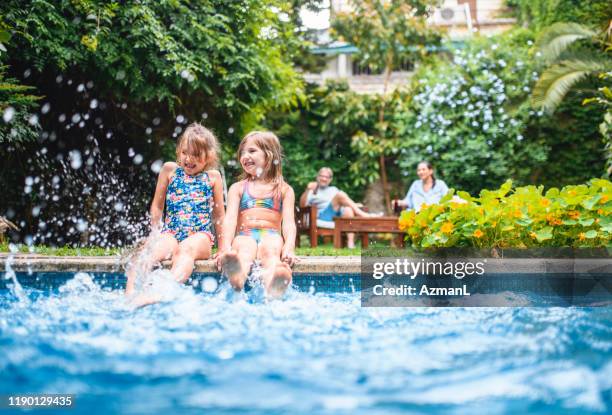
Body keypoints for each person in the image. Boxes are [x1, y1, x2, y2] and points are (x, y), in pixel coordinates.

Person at [125, 123, 226, 300]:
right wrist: (155, 234)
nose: (189, 159)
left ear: (208, 156)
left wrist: (224, 247)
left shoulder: (213, 177)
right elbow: (157, 206)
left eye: (196, 155)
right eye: (185, 152)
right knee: (150, 251)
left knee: (185, 250)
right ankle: (130, 295)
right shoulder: (169, 170)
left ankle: (162, 291)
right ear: (179, 151)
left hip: (200, 236)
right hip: (171, 232)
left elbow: (219, 215)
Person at [218, 131, 297, 298]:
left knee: (271, 252)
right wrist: (224, 247)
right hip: (245, 235)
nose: (245, 156)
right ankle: (237, 278)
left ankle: (274, 282)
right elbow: (230, 220)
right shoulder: (238, 188)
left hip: (272, 235)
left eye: (252, 151)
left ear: (269, 155)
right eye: (242, 153)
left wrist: (289, 247)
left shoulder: (284, 189)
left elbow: (289, 223)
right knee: (244, 251)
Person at [299, 167, 370, 249]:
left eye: (327, 177)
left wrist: (355, 205)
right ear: (317, 177)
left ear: (330, 179)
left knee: (348, 209)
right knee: (341, 195)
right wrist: (307, 190)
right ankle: (363, 215)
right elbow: (302, 205)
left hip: (336, 215)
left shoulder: (333, 190)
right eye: (322, 176)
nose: (324, 179)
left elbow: (345, 201)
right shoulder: (312, 189)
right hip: (321, 216)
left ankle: (350, 243)